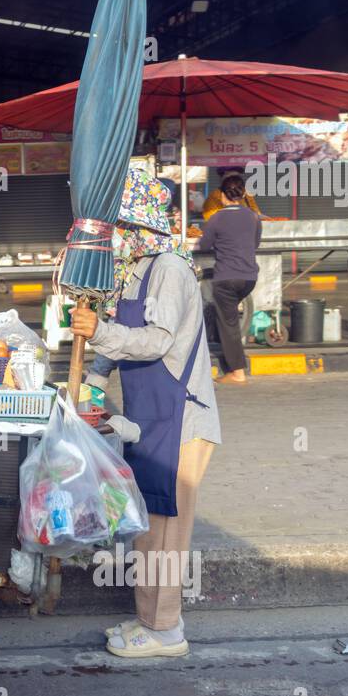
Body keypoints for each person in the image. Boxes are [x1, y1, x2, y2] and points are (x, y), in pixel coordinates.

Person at [69, 171, 220, 660]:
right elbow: (115, 334)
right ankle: (146, 620)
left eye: (117, 227)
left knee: (167, 533)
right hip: (149, 418)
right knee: (146, 530)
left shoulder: (170, 270)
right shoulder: (135, 270)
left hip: (180, 420)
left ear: (138, 224)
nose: (111, 239)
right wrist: (94, 379)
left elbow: (156, 340)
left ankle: (166, 630)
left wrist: (98, 334)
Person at [197, 174, 262, 384]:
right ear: (243, 194)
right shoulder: (253, 216)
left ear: (223, 196)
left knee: (229, 323)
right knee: (230, 318)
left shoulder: (217, 218)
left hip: (226, 278)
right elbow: (255, 243)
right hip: (249, 277)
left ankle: (237, 372)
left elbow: (205, 245)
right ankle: (230, 356)